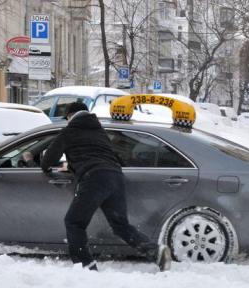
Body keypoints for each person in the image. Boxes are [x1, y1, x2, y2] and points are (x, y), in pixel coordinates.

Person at [41, 101, 172, 272]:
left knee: (74, 222)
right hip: (115, 177)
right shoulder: (100, 132)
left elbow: (48, 160)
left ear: (70, 116)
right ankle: (156, 252)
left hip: (93, 178)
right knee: (120, 226)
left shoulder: (69, 132)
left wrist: (50, 165)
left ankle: (85, 266)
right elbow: (113, 156)